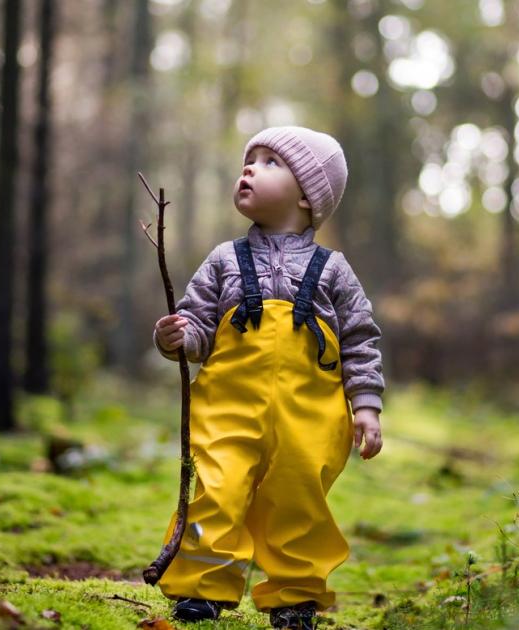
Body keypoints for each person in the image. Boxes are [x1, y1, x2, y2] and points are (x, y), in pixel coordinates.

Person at [152, 126, 384, 630]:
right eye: (248, 159)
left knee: (298, 504)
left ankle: (294, 598)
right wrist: (178, 337)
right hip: (227, 407)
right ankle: (200, 591)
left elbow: (361, 341)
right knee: (216, 490)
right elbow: (198, 329)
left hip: (309, 418)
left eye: (269, 162)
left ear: (307, 195)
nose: (249, 168)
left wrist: (365, 404)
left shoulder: (334, 271)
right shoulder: (222, 261)